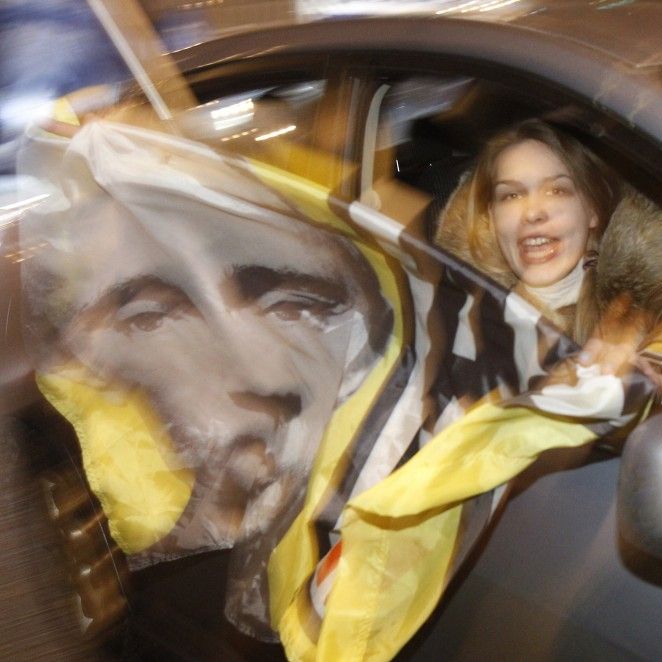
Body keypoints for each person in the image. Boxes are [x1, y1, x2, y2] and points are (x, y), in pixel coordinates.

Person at [19, 119, 394, 638]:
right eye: (152, 319)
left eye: (288, 304)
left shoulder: (221, 217)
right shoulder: (96, 282)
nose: (263, 374)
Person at [436, 119, 662, 403]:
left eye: (557, 190)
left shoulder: (633, 297)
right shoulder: (455, 312)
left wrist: (654, 365)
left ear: (592, 210)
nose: (532, 213)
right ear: (491, 217)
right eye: (511, 195)